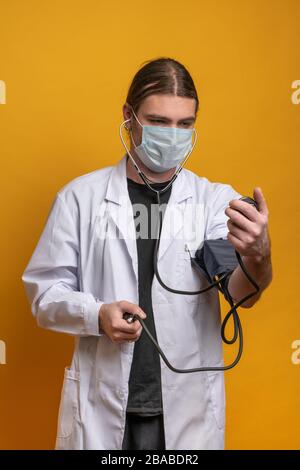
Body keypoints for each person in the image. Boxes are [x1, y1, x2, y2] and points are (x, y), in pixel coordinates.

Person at [21, 57, 272, 450]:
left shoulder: (211, 203)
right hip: (103, 405)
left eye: (184, 124)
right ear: (128, 116)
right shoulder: (80, 199)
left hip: (184, 409)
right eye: (158, 121)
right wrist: (96, 315)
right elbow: (44, 296)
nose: (172, 134)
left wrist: (259, 255)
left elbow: (241, 293)